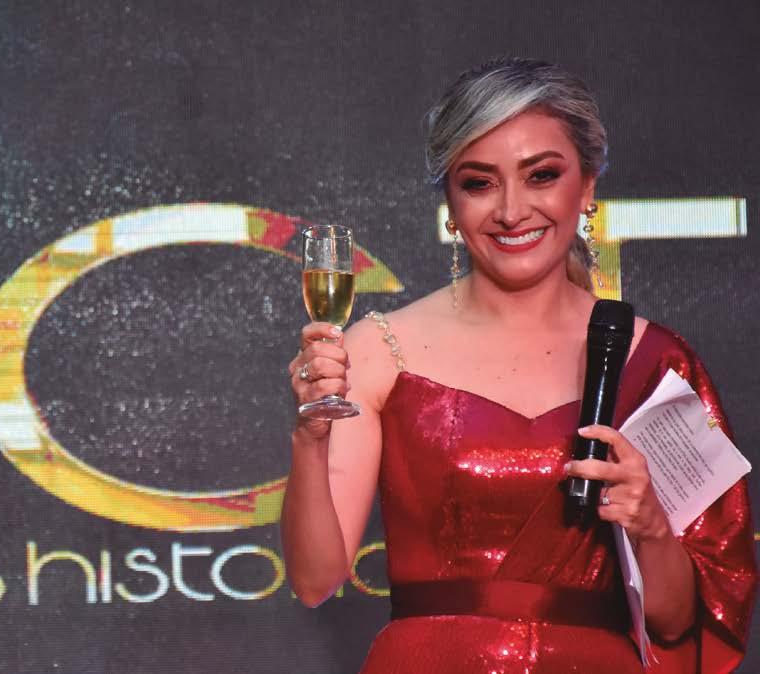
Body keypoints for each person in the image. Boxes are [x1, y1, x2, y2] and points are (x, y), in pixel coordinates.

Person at [280, 58, 756, 673]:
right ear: (450, 204)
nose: (511, 210)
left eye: (541, 176)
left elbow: (676, 623)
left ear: (586, 187)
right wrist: (309, 437)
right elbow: (315, 580)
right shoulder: (378, 350)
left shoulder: (656, 363)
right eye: (479, 183)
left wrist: (650, 526)